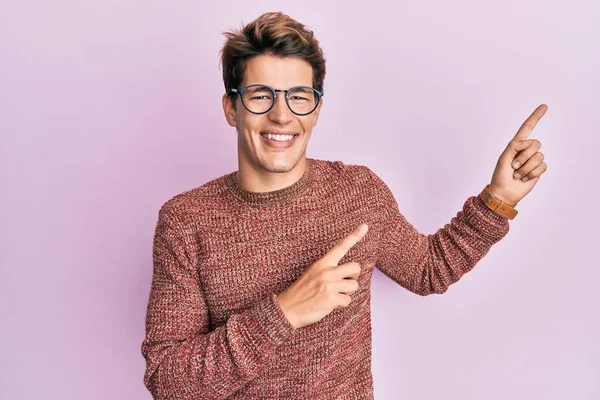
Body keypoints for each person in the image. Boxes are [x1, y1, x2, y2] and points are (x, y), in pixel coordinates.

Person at [140, 11, 548, 399]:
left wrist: (500, 199)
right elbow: (168, 383)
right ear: (232, 108)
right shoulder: (185, 221)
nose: (281, 115)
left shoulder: (357, 192)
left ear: (316, 108)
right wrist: (282, 313)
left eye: (299, 96)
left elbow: (429, 271)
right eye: (261, 95)